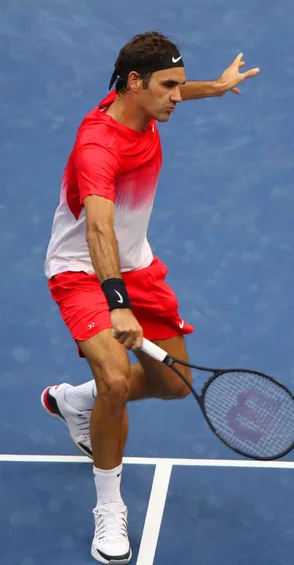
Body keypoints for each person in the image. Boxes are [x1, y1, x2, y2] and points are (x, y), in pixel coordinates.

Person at [41, 31, 260, 564]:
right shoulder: (97, 146)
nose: (176, 97)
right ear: (135, 83)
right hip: (83, 273)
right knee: (116, 378)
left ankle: (75, 400)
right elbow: (97, 231)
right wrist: (117, 303)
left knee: (172, 384)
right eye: (170, 87)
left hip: (137, 266)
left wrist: (217, 86)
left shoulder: (140, 103)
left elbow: (179, 91)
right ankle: (110, 510)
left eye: (179, 86)